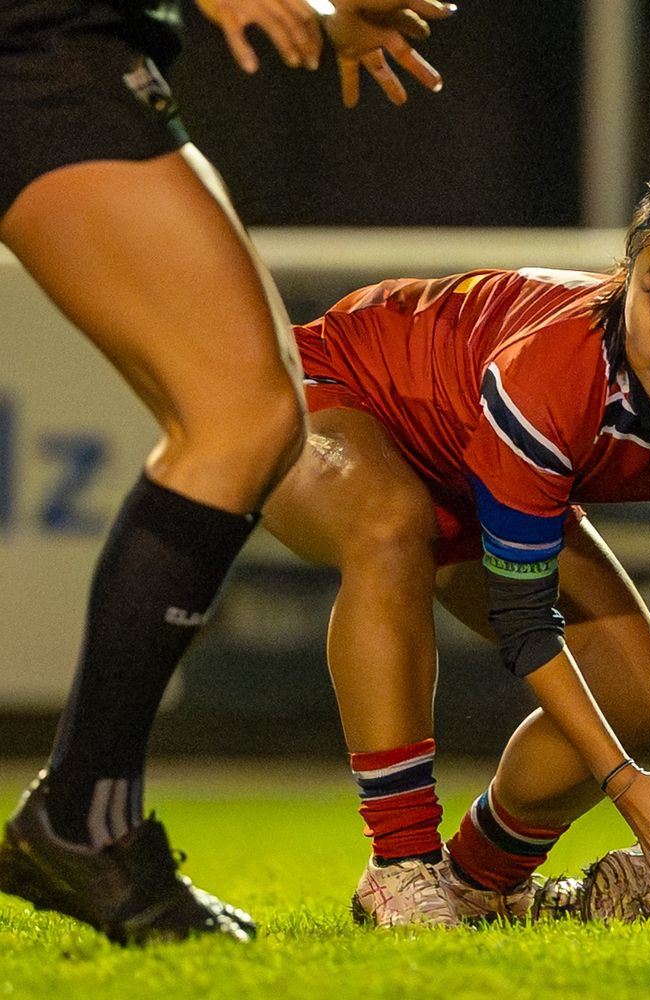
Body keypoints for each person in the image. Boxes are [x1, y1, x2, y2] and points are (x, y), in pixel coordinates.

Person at [259, 167, 650, 927]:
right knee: (390, 528)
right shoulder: (554, 370)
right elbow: (526, 623)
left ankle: (478, 880)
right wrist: (626, 784)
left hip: (470, 459)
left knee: (644, 700)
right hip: (338, 389)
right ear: (625, 281)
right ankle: (399, 868)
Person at [0, 0, 451, 945]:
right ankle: (84, 814)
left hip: (55, 53)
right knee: (240, 415)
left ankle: (85, 812)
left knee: (240, 416)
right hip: (40, 54)